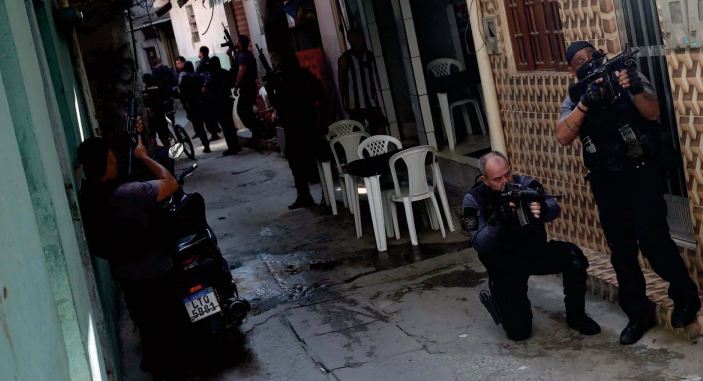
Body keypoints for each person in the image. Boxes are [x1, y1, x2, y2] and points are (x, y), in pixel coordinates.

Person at [555, 41, 701, 345]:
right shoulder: (575, 94)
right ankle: (638, 314)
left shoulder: (625, 75)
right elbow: (563, 136)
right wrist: (585, 103)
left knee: (654, 240)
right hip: (606, 183)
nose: (588, 63)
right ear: (573, 69)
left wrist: (633, 88)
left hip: (641, 174)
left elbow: (653, 112)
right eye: (579, 61)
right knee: (621, 252)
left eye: (590, 56)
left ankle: (686, 299)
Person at [462, 151, 601, 341]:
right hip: (504, 263)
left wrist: (543, 209)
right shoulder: (473, 199)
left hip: (533, 252)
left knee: (574, 258)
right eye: (497, 179)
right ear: (485, 180)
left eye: (507, 174)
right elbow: (480, 243)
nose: (505, 181)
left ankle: (576, 316)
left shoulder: (525, 184)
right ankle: (501, 301)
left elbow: (552, 206)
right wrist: (498, 220)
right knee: (519, 333)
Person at [77, 127, 182, 376]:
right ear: (106, 162)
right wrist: (143, 156)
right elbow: (170, 183)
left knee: (147, 324)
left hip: (126, 274)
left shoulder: (90, 195)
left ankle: (157, 361)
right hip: (154, 270)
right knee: (167, 326)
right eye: (111, 158)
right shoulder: (125, 193)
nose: (115, 160)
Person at [268, 50, 328, 209]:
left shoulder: (286, 80)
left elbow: (277, 104)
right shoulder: (304, 77)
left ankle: (313, 195)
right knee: (302, 163)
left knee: (302, 163)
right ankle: (311, 195)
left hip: (299, 125)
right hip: (303, 125)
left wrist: (271, 88)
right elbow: (322, 97)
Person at [338, 29, 389, 135]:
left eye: (358, 38)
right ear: (349, 41)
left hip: (371, 101)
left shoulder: (370, 56)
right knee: (358, 131)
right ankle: (364, 150)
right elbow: (341, 80)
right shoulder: (345, 58)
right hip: (354, 103)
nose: (357, 41)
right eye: (353, 39)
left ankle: (381, 148)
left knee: (380, 126)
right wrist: (344, 101)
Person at [226, 34, 266, 144]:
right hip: (247, 87)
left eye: (237, 40)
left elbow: (241, 70)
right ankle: (258, 131)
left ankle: (258, 131)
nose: (235, 42)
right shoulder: (240, 54)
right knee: (247, 111)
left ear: (241, 43)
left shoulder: (243, 55)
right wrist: (230, 56)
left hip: (247, 87)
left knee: (243, 111)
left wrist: (237, 85)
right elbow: (235, 68)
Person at [203, 56, 242, 156]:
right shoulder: (224, 72)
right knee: (230, 124)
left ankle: (232, 147)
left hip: (219, 103)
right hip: (227, 101)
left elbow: (207, 90)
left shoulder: (212, 76)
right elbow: (231, 82)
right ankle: (236, 145)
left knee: (226, 126)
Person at [179, 61, 211, 153]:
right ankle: (209, 138)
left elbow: (182, 93)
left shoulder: (184, 78)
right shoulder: (199, 76)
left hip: (192, 105)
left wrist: (185, 104)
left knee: (198, 126)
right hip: (202, 102)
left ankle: (206, 145)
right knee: (206, 122)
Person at [141, 73, 170, 146]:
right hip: (161, 111)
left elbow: (146, 103)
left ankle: (161, 149)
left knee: (153, 134)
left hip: (154, 115)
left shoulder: (145, 90)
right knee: (164, 134)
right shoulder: (158, 86)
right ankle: (168, 148)